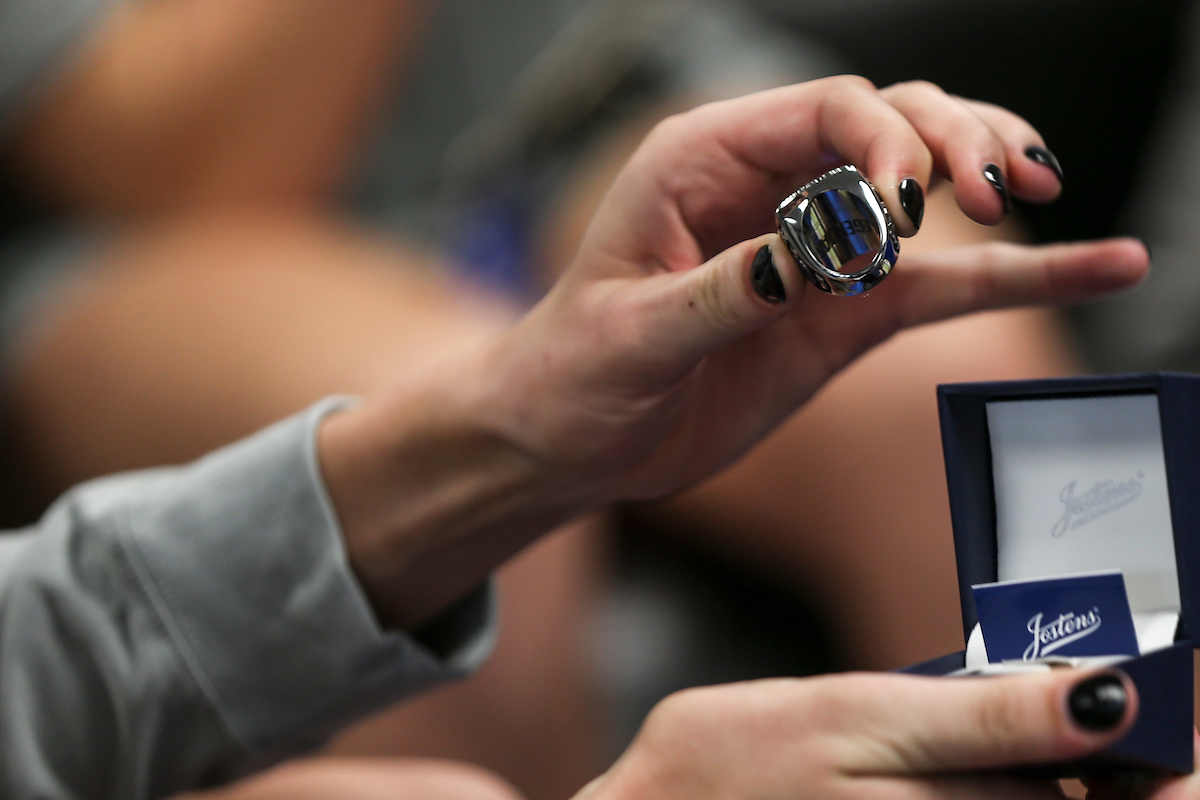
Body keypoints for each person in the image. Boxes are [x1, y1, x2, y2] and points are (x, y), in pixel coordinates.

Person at [0, 75, 1154, 799]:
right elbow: (177, 160)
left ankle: (1152, 763)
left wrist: (528, 425)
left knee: (976, 347)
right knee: (446, 433)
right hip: (203, 219)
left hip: (589, 104)